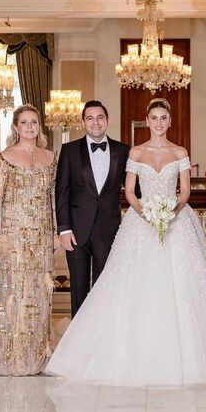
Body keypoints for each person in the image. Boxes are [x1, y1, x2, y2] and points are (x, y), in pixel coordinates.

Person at [45, 98, 206, 386]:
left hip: (176, 222)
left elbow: (185, 192)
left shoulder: (180, 152)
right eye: (154, 118)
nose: (158, 122)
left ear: (170, 121)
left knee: (183, 286)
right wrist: (146, 213)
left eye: (163, 118)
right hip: (141, 222)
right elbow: (130, 191)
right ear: (147, 121)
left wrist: (170, 213)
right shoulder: (135, 152)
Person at [0, 104, 57, 376]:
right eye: (24, 122)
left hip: (42, 234)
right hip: (14, 235)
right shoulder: (4, 158)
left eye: (34, 122)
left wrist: (55, 233)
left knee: (40, 293)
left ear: (39, 126)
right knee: (16, 293)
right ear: (16, 127)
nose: (30, 127)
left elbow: (54, 200)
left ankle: (37, 355)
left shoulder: (50, 158)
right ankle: (14, 357)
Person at [55, 100, 129, 318]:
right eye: (90, 118)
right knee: (78, 286)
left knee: (105, 285)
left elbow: (134, 189)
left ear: (107, 120)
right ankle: (79, 334)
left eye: (100, 117)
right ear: (83, 122)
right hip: (76, 230)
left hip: (109, 229)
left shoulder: (123, 150)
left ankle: (102, 331)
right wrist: (64, 229)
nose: (95, 122)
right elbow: (62, 191)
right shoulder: (69, 150)